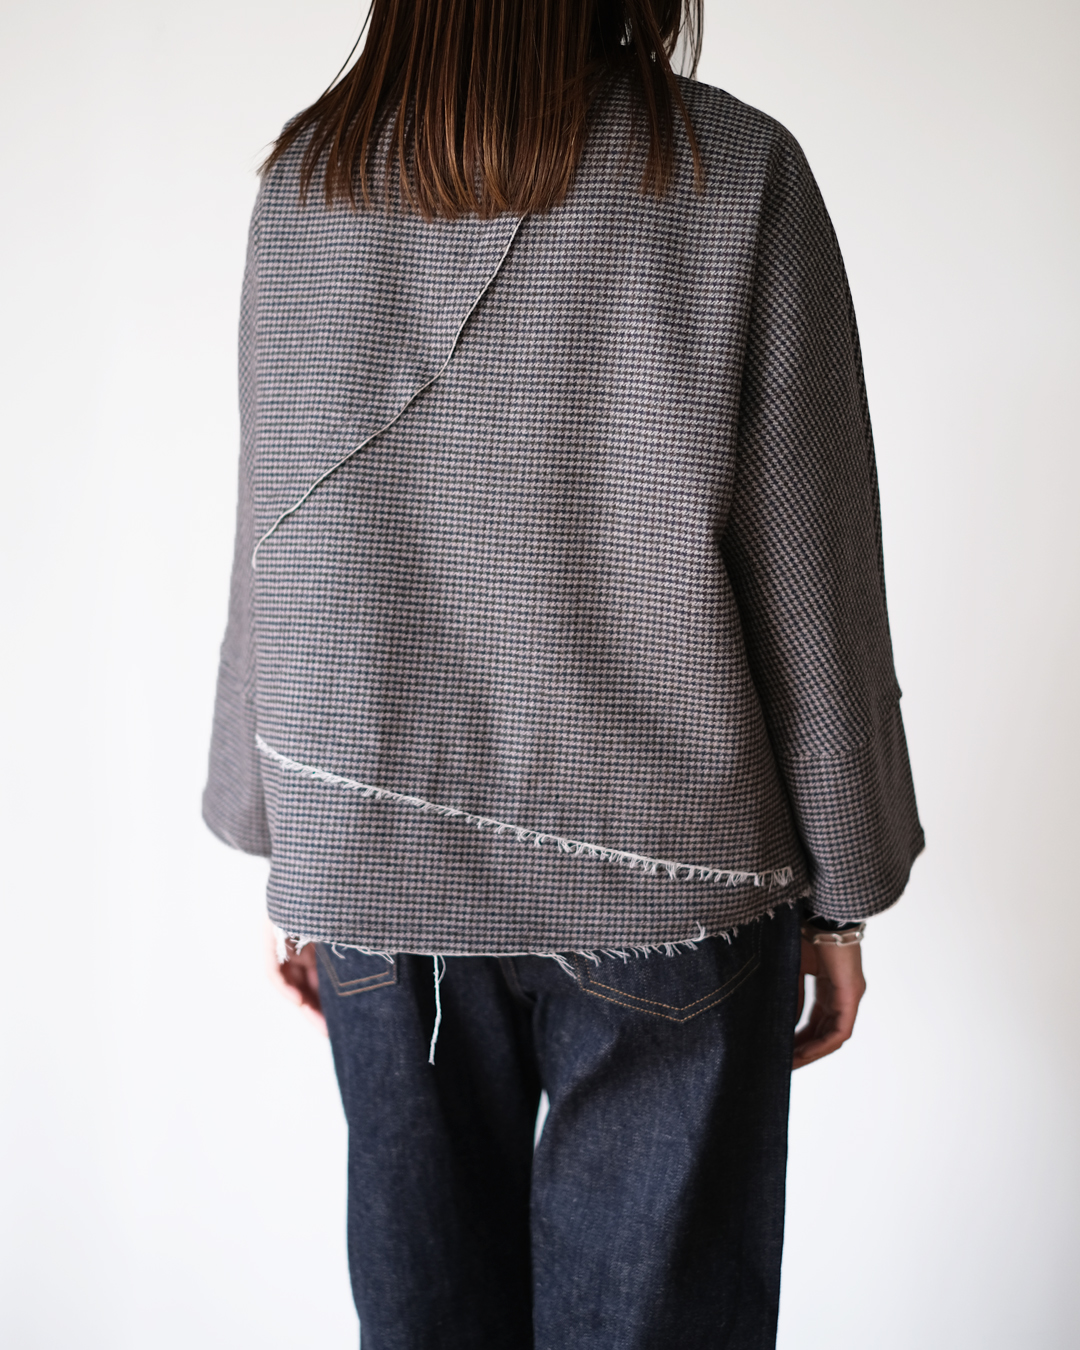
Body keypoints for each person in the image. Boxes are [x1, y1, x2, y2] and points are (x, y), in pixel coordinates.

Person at [203, 1, 923, 1344]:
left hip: (374, 869)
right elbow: (810, 560)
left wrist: (282, 835)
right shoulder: (730, 168)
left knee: (427, 1319)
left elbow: (276, 536)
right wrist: (847, 887)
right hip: (673, 874)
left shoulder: (309, 178)